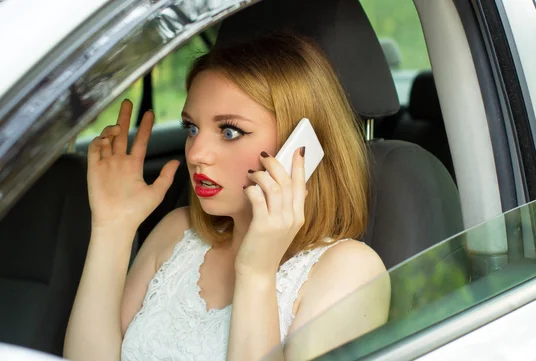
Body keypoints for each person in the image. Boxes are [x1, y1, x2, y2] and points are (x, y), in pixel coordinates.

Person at [64, 33, 390, 361]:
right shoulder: (177, 232)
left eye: (230, 131)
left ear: (300, 149)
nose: (197, 154)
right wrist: (112, 229)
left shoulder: (350, 270)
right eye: (192, 128)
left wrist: (257, 273)